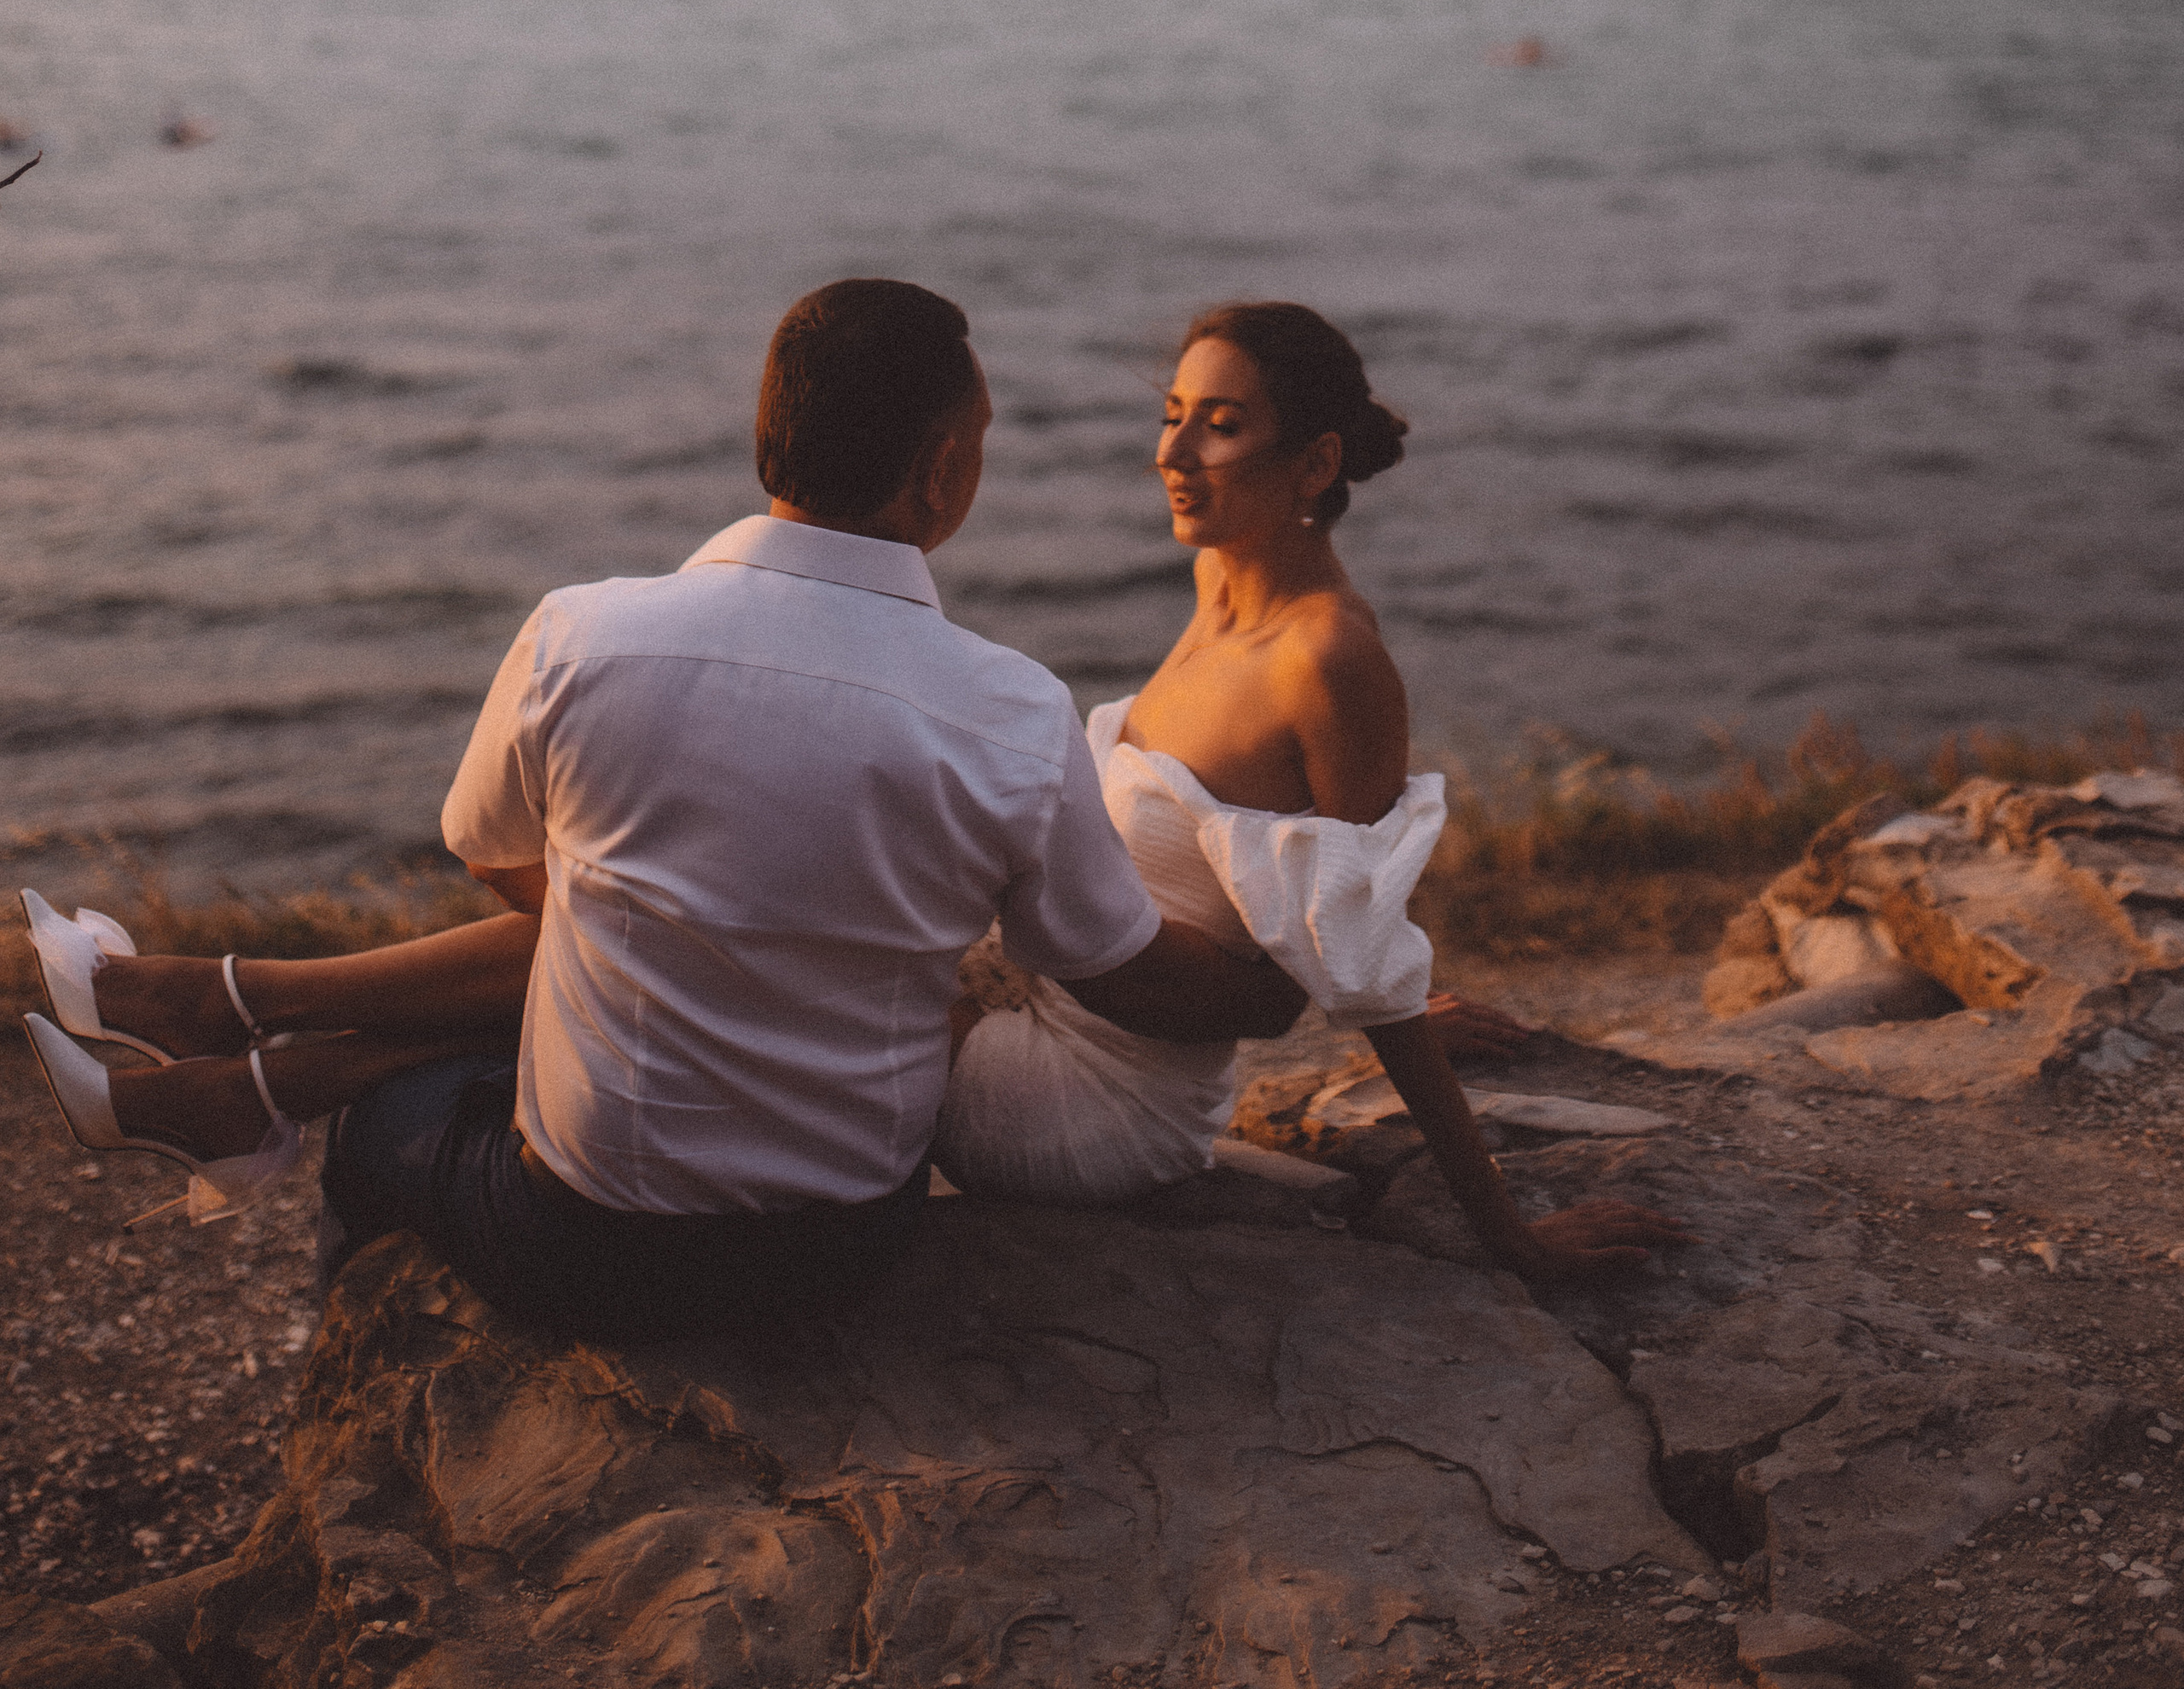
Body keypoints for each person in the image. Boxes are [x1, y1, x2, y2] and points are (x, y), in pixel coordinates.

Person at [24, 281, 1301, 1335]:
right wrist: (1285, 976)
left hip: (588, 1248)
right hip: (847, 1252)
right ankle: (225, 1062)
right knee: (595, 958)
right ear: (945, 474)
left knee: (421, 1086)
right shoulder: (1011, 712)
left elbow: (492, 855)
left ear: (765, 447)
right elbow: (1115, 970)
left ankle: (260, 1118)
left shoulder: (586, 637)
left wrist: (683, 919)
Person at [931, 302, 1682, 1286]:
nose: (1175, 451)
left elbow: (1360, 939)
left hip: (1090, 1108)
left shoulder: (1325, 660)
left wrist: (1510, 1231)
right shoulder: (1217, 578)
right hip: (1042, 1008)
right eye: (1172, 412)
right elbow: (1264, 894)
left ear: (1316, 464)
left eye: (1222, 424)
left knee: (838, 986)